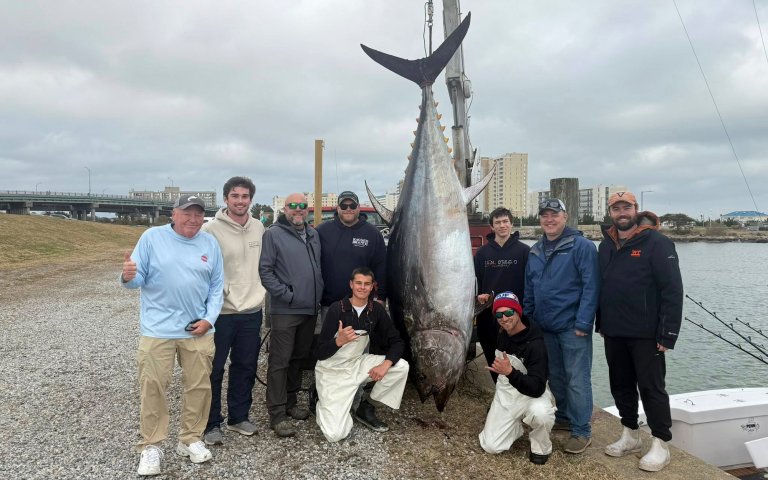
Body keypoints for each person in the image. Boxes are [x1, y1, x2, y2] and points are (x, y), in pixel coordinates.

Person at [121, 194, 224, 476]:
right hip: (158, 330)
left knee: (200, 386)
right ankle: (151, 446)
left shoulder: (209, 243)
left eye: (198, 214)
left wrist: (209, 319)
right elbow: (136, 280)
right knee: (153, 386)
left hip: (198, 330)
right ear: (174, 214)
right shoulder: (152, 237)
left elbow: (217, 287)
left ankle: (190, 438)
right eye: (186, 213)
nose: (193, 219)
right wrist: (129, 276)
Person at [596, 191, 683, 472]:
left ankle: (660, 442)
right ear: (610, 212)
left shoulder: (658, 243)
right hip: (614, 330)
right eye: (616, 208)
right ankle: (630, 433)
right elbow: (602, 285)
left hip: (647, 334)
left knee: (652, 387)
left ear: (636, 209)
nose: (622, 213)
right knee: (620, 384)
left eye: (627, 207)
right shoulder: (606, 244)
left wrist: (668, 333)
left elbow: (672, 290)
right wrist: (601, 321)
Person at [523, 198, 599, 454]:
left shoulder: (582, 246)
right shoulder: (535, 250)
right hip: (545, 327)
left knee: (577, 379)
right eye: (544, 215)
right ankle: (564, 417)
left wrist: (584, 322)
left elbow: (591, 287)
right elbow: (530, 288)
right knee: (555, 377)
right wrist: (529, 319)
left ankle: (581, 430)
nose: (549, 219)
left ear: (565, 216)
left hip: (572, 327)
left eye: (554, 214)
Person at [315, 190, 388, 430]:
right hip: (331, 307)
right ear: (337, 208)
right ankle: (324, 395)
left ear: (358, 208)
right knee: (330, 354)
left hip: (362, 308)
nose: (348, 209)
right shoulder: (322, 231)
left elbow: (381, 266)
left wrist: (380, 298)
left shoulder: (372, 234)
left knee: (358, 359)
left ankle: (357, 404)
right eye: (343, 205)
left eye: (352, 205)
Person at [201, 177, 266, 445]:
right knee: (214, 369)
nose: (240, 201)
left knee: (245, 366)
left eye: (245, 196)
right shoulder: (211, 230)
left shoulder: (259, 227)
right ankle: (210, 423)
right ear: (226, 199)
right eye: (235, 196)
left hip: (251, 310)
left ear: (251, 199)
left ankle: (239, 417)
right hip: (221, 313)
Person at [314, 267, 409, 442]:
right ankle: (322, 401)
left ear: (373, 287)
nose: (362, 287)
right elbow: (320, 353)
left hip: (357, 364)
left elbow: (397, 341)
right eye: (358, 283)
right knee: (334, 434)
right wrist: (338, 341)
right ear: (351, 285)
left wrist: (385, 365)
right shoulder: (337, 309)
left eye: (367, 284)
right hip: (332, 371)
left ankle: (367, 404)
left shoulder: (376, 311)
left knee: (401, 366)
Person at [259, 193, 323, 437]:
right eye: (293, 206)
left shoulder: (313, 234)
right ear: (285, 209)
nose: (298, 210)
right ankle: (276, 413)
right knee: (280, 361)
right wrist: (288, 295)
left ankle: (291, 401)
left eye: (303, 206)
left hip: (309, 309)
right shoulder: (273, 234)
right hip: (286, 309)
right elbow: (265, 271)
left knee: (298, 357)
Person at [478, 292, 555, 465]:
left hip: (531, 393)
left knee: (541, 414)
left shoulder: (536, 345)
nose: (504, 318)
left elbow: (537, 388)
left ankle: (541, 445)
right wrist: (485, 301)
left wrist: (510, 372)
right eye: (499, 314)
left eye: (509, 313)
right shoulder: (501, 331)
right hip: (506, 393)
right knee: (491, 446)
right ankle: (514, 426)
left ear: (518, 312)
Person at [474, 207, 530, 382]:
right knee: (493, 358)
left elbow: (530, 283)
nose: (502, 225)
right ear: (492, 227)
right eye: (497, 222)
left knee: (516, 360)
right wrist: (478, 296)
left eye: (505, 221)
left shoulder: (524, 251)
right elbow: (476, 282)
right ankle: (499, 394)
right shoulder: (482, 253)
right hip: (489, 316)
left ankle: (518, 394)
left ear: (511, 224)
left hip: (516, 317)